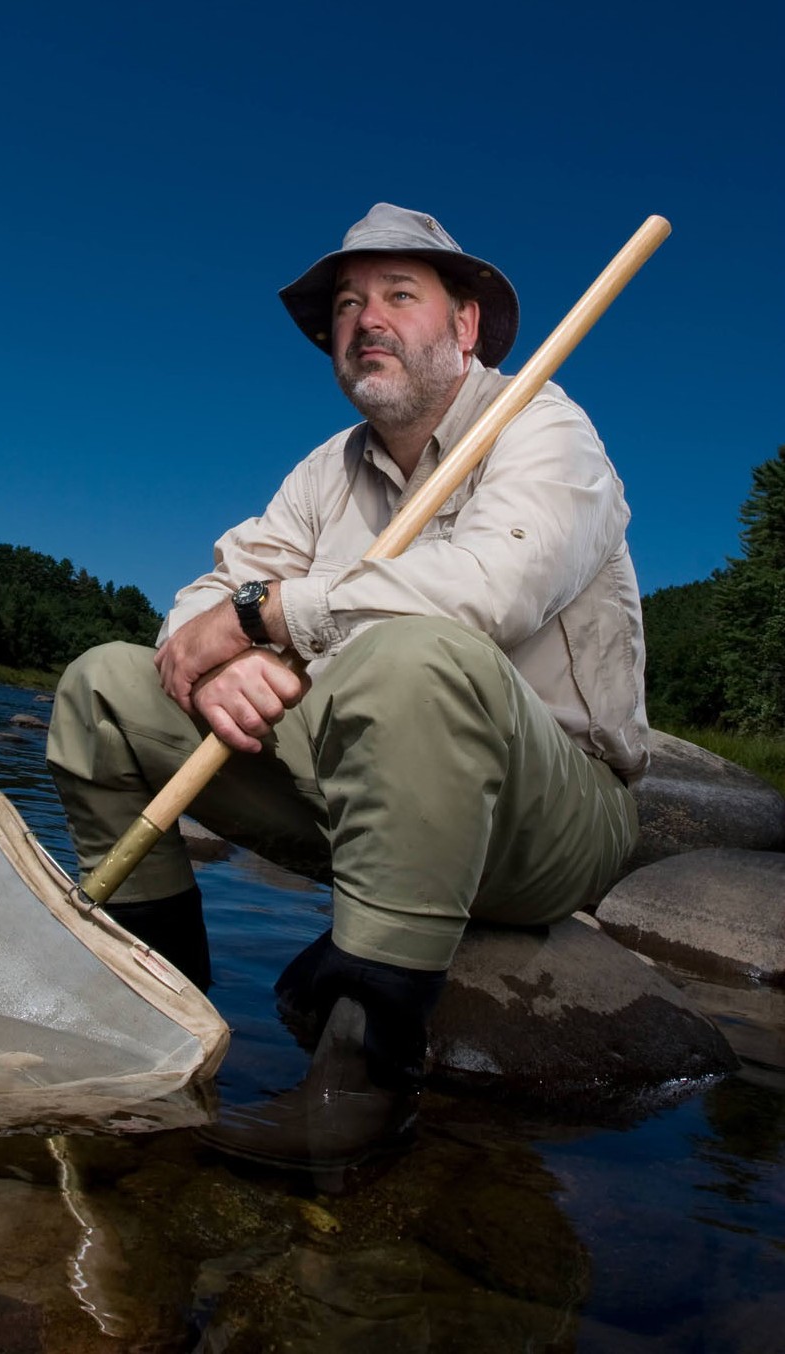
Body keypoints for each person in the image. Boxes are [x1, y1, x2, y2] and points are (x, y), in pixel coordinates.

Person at [46, 202, 648, 1172]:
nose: (364, 318)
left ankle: (359, 1090)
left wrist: (267, 614)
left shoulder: (545, 424)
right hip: (370, 791)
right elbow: (206, 595)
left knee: (413, 655)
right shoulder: (326, 470)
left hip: (549, 814)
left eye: (399, 295)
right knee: (102, 687)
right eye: (345, 305)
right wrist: (221, 654)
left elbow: (494, 589)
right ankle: (154, 1026)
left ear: (464, 326)